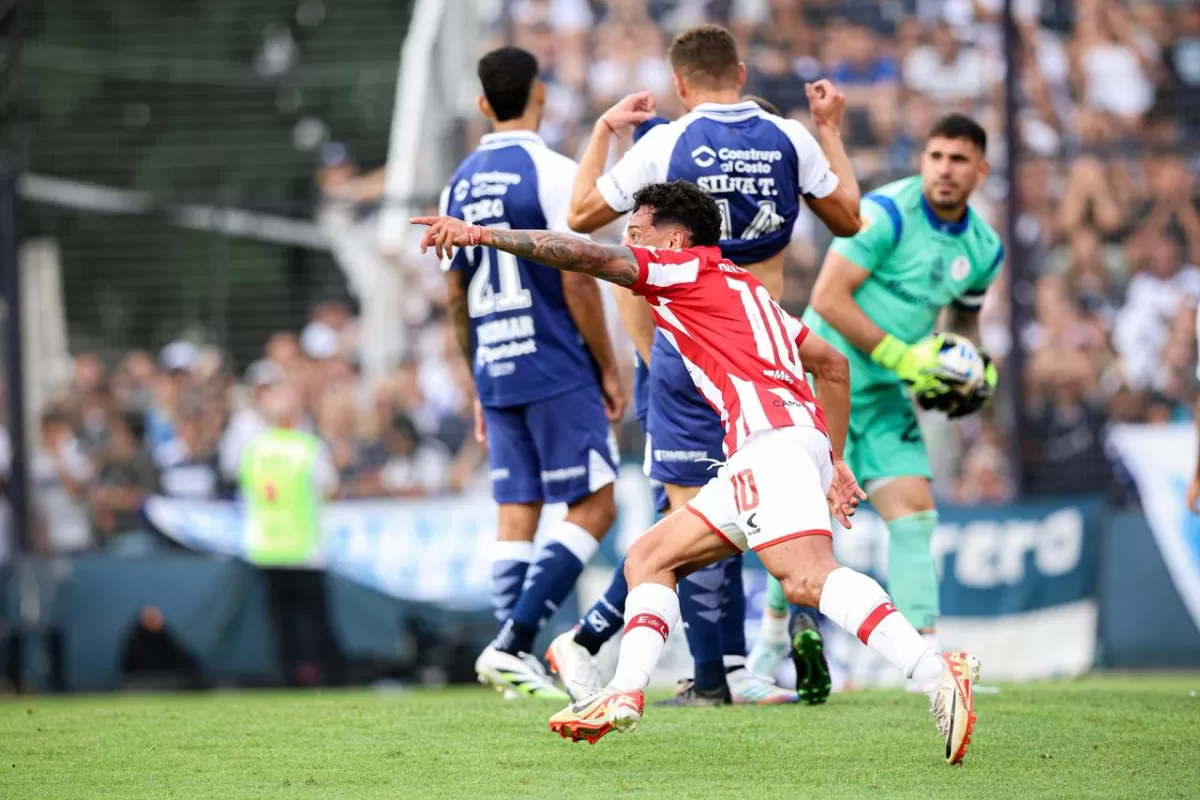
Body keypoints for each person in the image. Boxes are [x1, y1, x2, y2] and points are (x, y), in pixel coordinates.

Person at [410, 179, 980, 765]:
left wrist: (483, 236)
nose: (629, 239)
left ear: (676, 239)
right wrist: (832, 460)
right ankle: (624, 694)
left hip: (770, 446)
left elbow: (586, 255)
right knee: (649, 559)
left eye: (639, 230)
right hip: (778, 448)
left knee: (807, 579)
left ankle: (937, 673)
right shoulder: (743, 288)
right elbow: (831, 365)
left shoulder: (680, 270)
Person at [549, 22, 861, 707]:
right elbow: (847, 217)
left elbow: (579, 215)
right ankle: (778, 633)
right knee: (769, 502)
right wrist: (829, 127)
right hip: (769, 347)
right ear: (742, 74)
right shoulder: (791, 138)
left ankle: (712, 672)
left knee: (690, 514)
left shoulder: (668, 142)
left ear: (680, 84)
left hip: (688, 358)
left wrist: (603, 129)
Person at [749, 113, 1002, 690]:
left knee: (914, 516)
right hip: (823, 378)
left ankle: (926, 664)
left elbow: (963, 320)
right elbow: (828, 298)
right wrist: (905, 358)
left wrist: (971, 365)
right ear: (923, 160)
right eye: (936, 156)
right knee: (802, 521)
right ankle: (768, 644)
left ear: (980, 171)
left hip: (886, 392)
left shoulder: (985, 248)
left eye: (959, 160)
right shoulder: (887, 212)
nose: (945, 169)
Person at [439, 45, 623, 699]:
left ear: (484, 105)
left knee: (516, 513)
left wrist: (478, 383)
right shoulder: (550, 170)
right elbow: (578, 278)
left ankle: (506, 662)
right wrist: (607, 363)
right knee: (597, 506)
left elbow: (455, 296)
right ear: (539, 94)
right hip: (553, 361)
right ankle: (514, 643)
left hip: (496, 363)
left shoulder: (457, 185)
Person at [240, 383, 344, 687]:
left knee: (281, 619)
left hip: (267, 547)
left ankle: (287, 674)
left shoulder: (254, 450)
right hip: (304, 547)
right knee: (311, 617)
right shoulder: (307, 447)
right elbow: (330, 487)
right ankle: (317, 674)